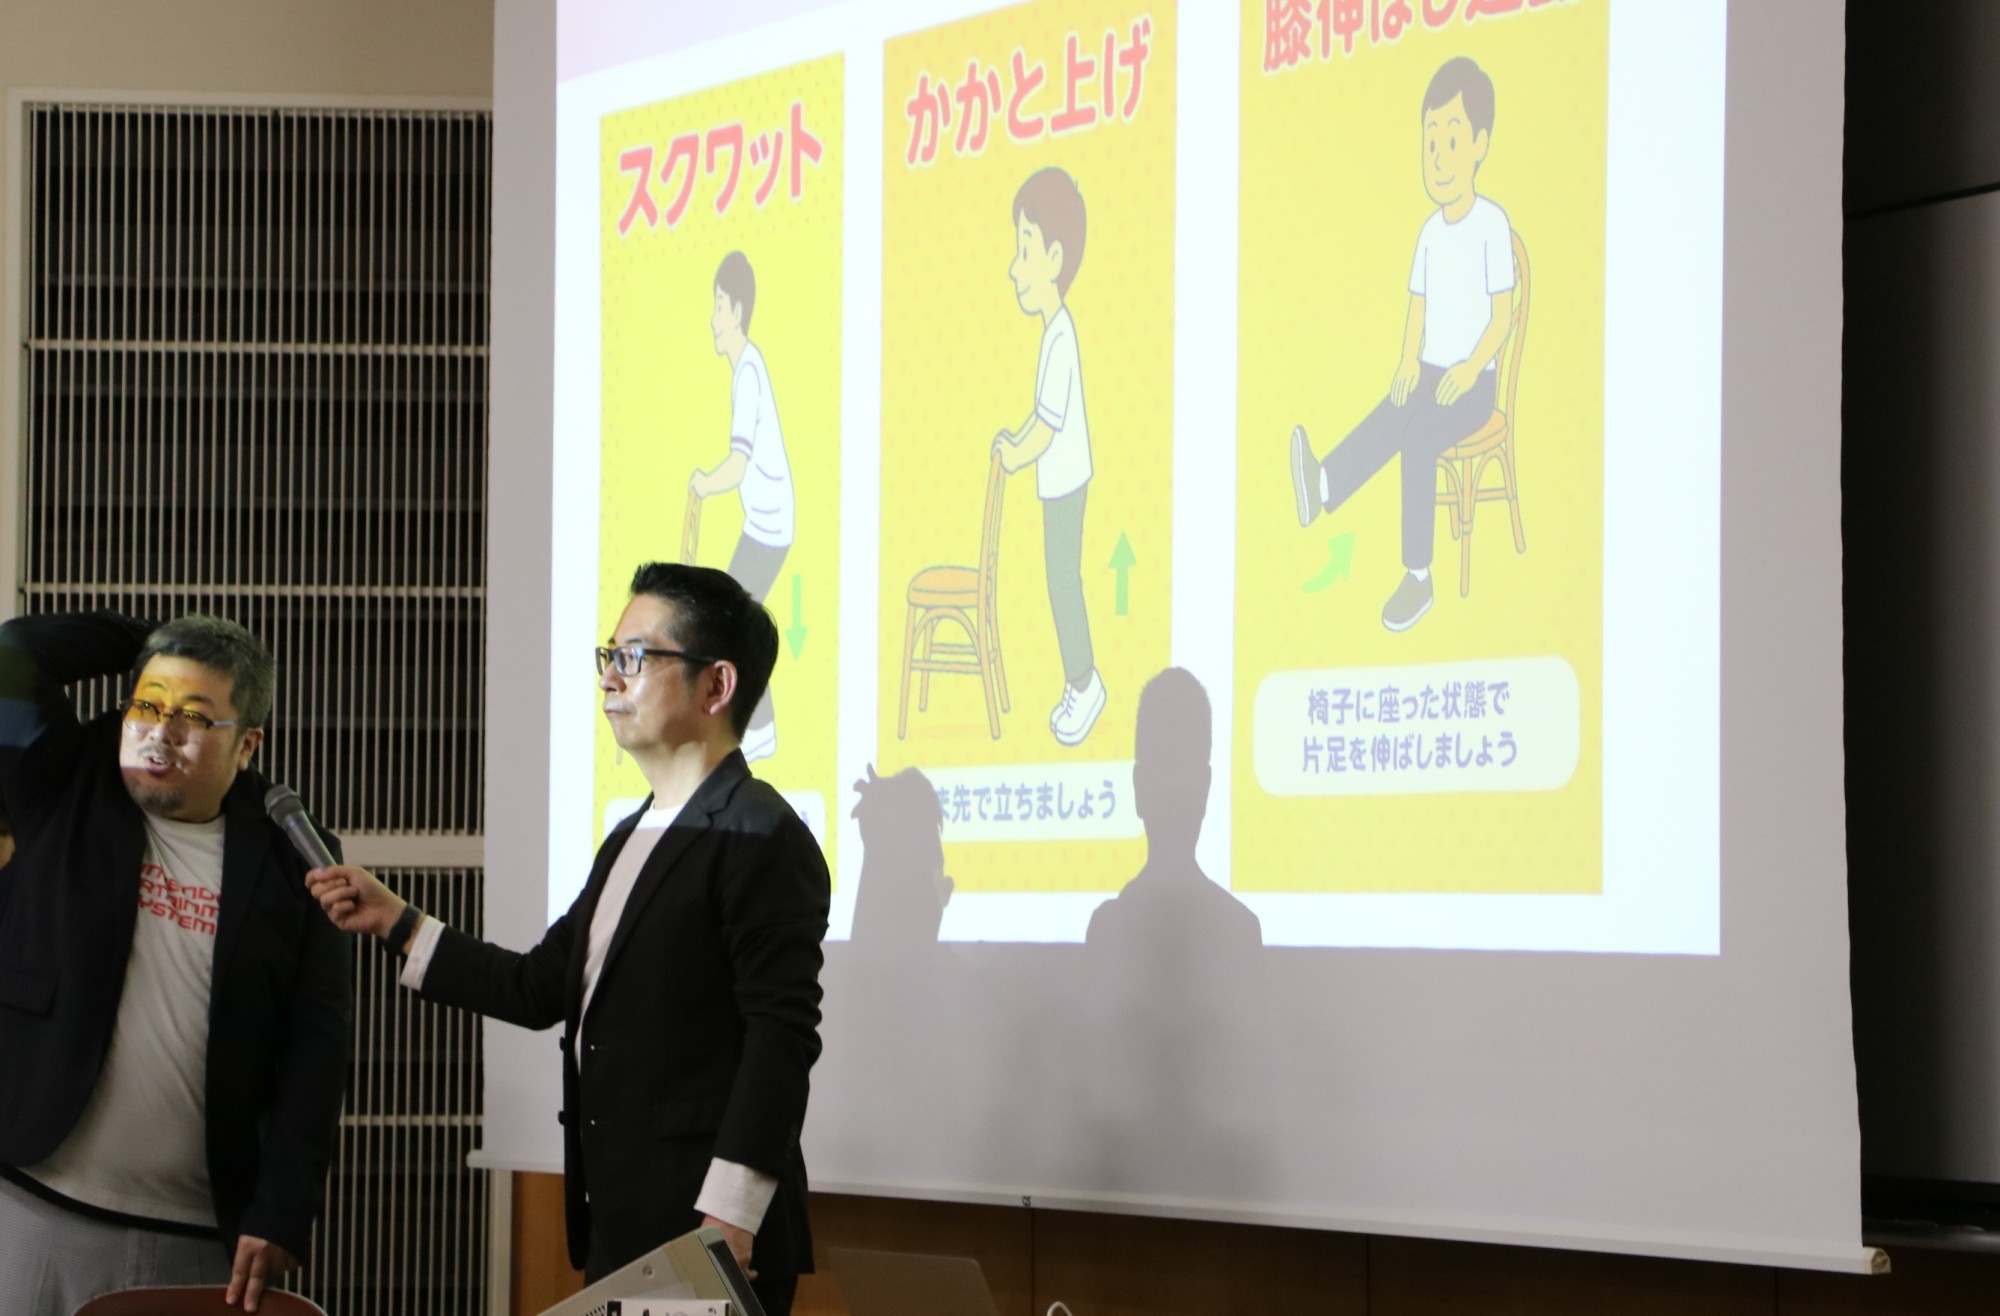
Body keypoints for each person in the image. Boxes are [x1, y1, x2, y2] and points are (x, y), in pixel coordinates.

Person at [307, 563, 828, 1315]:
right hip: (626, 1221)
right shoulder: (628, 838)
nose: (610, 679)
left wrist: (731, 1220)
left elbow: (780, 1036)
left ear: (716, 686)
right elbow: (536, 986)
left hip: (707, 1232)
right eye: (609, 656)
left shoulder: (761, 834)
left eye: (636, 658)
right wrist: (397, 920)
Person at [0, 611, 352, 1316]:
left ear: (247, 745)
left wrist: (284, 1208)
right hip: (32, 1201)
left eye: (192, 716)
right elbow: (13, 656)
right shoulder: (65, 782)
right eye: (147, 705)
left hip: (202, 1236)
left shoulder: (295, 855)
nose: (160, 734)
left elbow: (316, 1045)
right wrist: (170, 638)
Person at [1289, 56, 1515, 632]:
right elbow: (1417, 303)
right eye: (1429, 141)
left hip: (1474, 384)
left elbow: (1502, 317)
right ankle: (1324, 484)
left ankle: (1418, 577)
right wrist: (1407, 359)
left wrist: (1471, 367)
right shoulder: (1429, 233)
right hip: (1432, 371)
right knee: (1393, 410)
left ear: (1480, 145)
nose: (1438, 156)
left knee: (1418, 437)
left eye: (1452, 139)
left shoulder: (1491, 224)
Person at [995, 166, 1107, 747]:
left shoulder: (1061, 334)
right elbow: (1039, 418)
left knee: (1064, 582)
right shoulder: (1052, 333)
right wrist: (1016, 440)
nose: (1015, 268)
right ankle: (1079, 680)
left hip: (1066, 483)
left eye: (1025, 250)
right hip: (1060, 481)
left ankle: (1084, 683)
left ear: (1056, 259)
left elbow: (1047, 427)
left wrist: (1016, 454)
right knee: (1058, 579)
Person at [691, 250, 794, 764]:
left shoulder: (749, 371)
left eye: (718, 306)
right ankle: (762, 725)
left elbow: (737, 465)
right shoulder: (743, 370)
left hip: (771, 523)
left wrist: (703, 484)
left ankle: (762, 727)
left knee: (733, 620)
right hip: (763, 520)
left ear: (736, 311)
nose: (713, 319)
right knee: (735, 617)